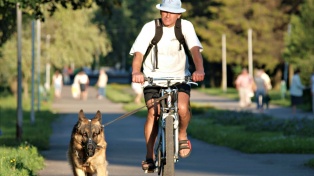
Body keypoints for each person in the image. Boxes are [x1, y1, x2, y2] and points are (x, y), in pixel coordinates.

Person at [130, 0, 205, 171]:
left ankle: (182, 134)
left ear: (179, 14)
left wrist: (199, 69)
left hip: (180, 78)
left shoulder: (185, 27)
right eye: (164, 11)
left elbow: (195, 50)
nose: (167, 15)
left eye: (171, 12)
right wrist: (136, 72)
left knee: (183, 108)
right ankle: (150, 156)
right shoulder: (150, 27)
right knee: (153, 112)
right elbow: (139, 53)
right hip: (153, 80)